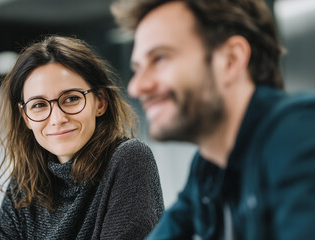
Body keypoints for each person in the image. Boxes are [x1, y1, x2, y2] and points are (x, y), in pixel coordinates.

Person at [111, 0, 315, 239]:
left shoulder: (297, 134)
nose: (136, 87)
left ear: (231, 60)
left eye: (160, 59)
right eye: (138, 68)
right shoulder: (208, 165)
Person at [0, 35, 164, 240]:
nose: (57, 119)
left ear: (100, 102)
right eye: (38, 105)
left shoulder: (129, 158)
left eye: (71, 99)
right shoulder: (24, 183)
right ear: (25, 117)